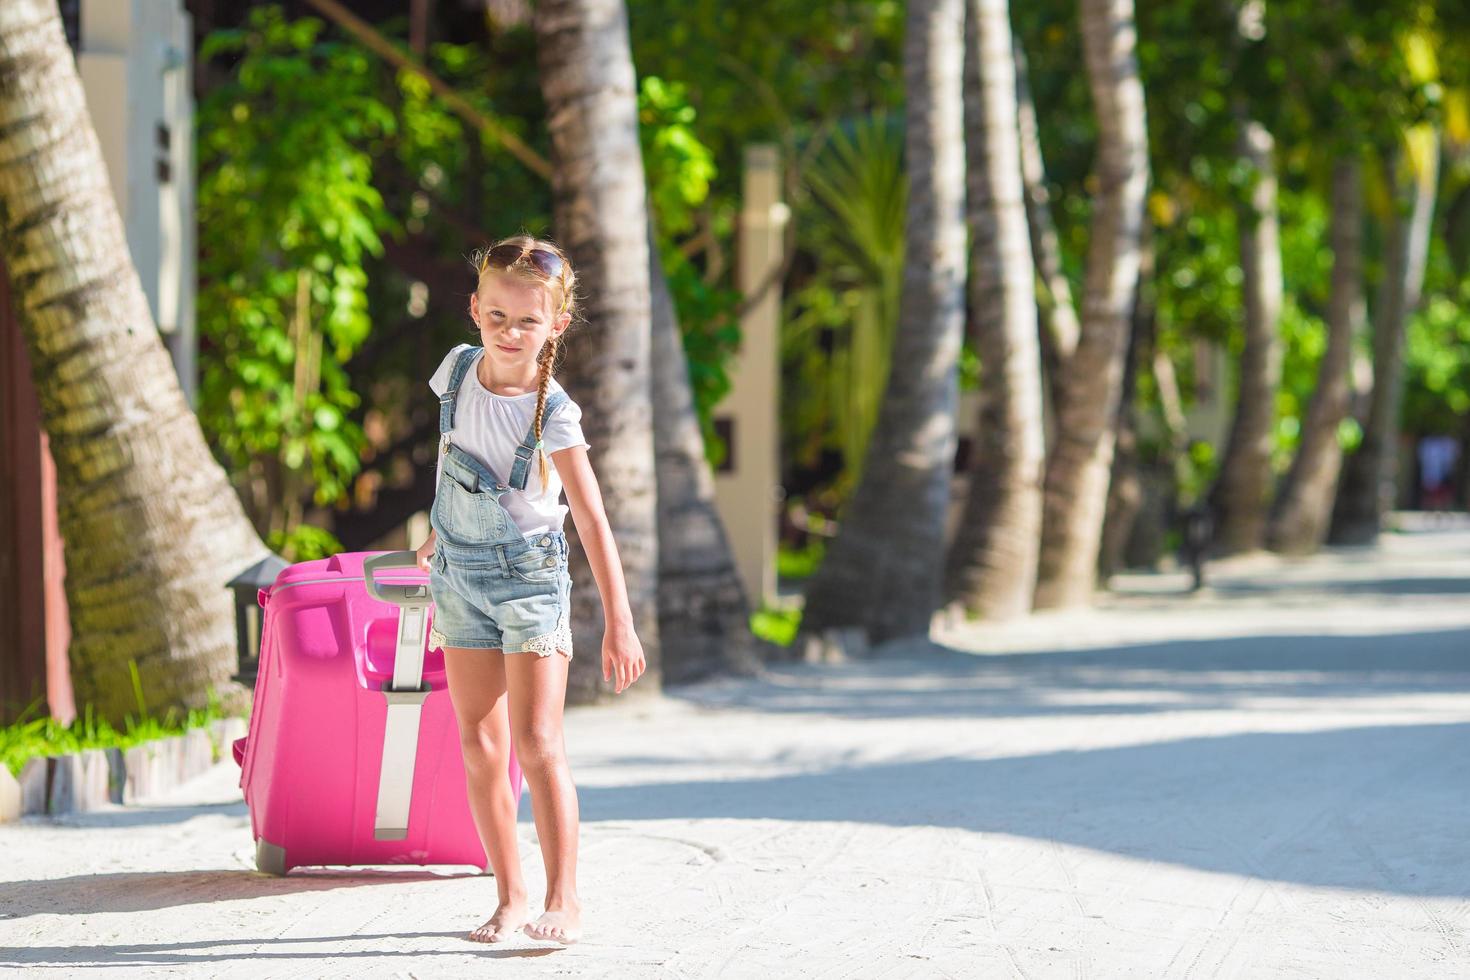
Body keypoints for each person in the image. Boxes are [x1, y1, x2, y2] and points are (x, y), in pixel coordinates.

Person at [413, 235, 647, 945]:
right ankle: (509, 897)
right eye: (497, 318)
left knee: (537, 742)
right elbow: (455, 458)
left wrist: (620, 621)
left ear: (556, 325)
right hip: (458, 578)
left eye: (528, 322)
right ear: (475, 310)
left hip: (529, 583)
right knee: (479, 744)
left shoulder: (555, 412)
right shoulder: (454, 372)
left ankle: (563, 899)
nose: (510, 334)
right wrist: (435, 536)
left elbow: (593, 517)